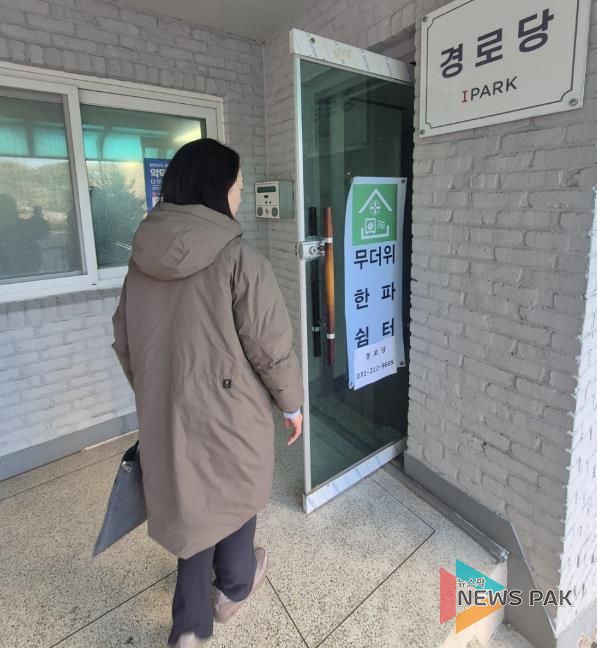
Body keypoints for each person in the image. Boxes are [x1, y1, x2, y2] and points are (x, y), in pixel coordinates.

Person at [111, 138, 304, 648]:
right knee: (234, 499)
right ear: (217, 189)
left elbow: (125, 341)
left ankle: (190, 628)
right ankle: (233, 589)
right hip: (231, 414)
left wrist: (157, 394)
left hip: (166, 415)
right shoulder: (240, 259)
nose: (240, 196)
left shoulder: (140, 261)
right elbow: (271, 348)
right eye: (238, 187)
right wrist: (292, 404)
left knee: (189, 504)